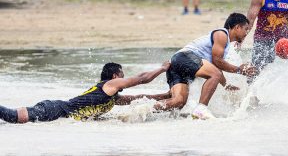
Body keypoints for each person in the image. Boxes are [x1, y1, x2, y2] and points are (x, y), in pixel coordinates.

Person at [138, 13, 258, 119]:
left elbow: (216, 68)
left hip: (176, 63)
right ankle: (201, 109)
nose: (246, 33)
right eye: (246, 29)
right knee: (214, 74)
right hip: (184, 57)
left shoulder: (224, 44)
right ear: (237, 27)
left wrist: (226, 85)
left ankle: (141, 110)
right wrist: (239, 69)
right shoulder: (222, 34)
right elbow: (217, 62)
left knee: (178, 102)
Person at [0, 62, 170, 123]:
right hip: (57, 110)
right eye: (122, 74)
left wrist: (164, 96)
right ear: (115, 76)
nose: (124, 77)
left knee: (9, 119)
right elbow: (141, 78)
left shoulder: (110, 96)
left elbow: (134, 99)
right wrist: (162, 68)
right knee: (12, 117)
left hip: (58, 112)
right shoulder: (110, 84)